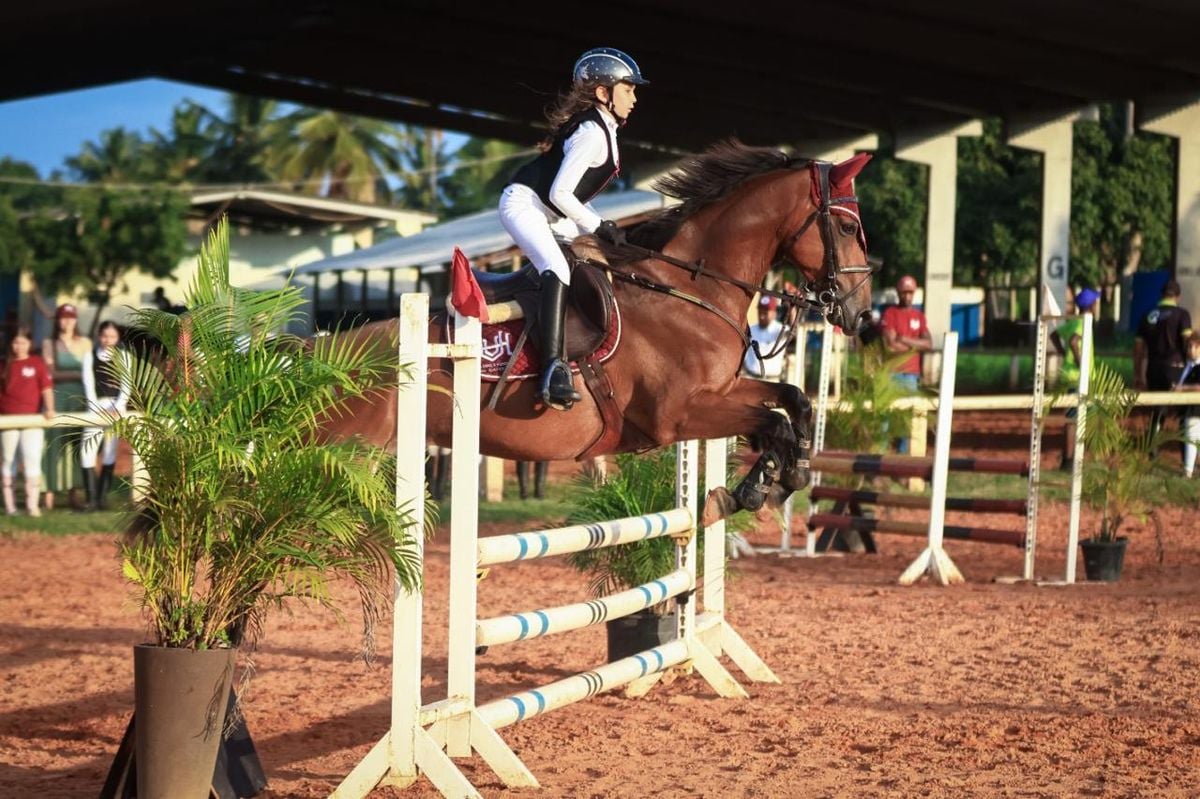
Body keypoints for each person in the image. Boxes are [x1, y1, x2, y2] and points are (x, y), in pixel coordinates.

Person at [500, 47, 649, 411]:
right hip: (525, 205)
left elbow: (571, 196)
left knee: (595, 265)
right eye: (628, 88)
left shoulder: (605, 128)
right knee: (558, 267)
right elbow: (559, 192)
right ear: (603, 93)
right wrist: (598, 226)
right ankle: (553, 369)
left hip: (549, 211)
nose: (634, 96)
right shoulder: (591, 132)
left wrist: (605, 229)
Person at [0, 327, 55, 516]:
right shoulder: (4, 365)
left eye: (23, 342)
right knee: (8, 460)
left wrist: (49, 408)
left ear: (30, 344)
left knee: (32, 459)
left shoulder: (37, 363)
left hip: (32, 419)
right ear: (11, 344)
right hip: (8, 420)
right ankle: (10, 506)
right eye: (16, 342)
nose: (19, 346)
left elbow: (46, 388)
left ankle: (33, 506)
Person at [42, 304, 91, 509]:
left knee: (77, 444)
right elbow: (50, 373)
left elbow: (92, 371)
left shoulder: (86, 342)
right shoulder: (49, 343)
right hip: (57, 396)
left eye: (71, 317)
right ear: (58, 320)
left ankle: (74, 493)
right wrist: (80, 374)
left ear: (76, 319)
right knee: (53, 442)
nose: (67, 321)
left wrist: (76, 376)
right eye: (63, 317)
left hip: (80, 397)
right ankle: (49, 494)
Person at [1134, 279, 1193, 442]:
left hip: (1153, 369)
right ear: (1178, 296)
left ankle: (1152, 448)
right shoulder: (1183, 315)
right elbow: (1188, 343)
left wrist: (1138, 374)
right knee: (1184, 411)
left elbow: (1138, 349)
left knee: (1157, 409)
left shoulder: (1147, 315)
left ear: (1162, 295)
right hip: (1176, 369)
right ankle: (1185, 453)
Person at [80, 321, 130, 510]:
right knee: (87, 451)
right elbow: (88, 383)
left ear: (117, 338)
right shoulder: (89, 356)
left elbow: (127, 384)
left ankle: (101, 499)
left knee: (109, 452)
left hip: (115, 408)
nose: (108, 340)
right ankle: (90, 499)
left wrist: (118, 407)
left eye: (112, 336)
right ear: (99, 336)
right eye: (104, 335)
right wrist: (94, 407)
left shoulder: (124, 357)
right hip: (95, 408)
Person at [880, 275, 932, 454]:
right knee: (885, 417)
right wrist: (915, 344)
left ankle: (902, 457)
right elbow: (890, 346)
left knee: (907, 417)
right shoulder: (890, 314)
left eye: (910, 292)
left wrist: (903, 339)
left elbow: (929, 344)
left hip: (911, 374)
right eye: (904, 292)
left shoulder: (919, 316)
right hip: (892, 372)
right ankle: (879, 455)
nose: (907, 296)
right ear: (898, 293)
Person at [1051, 287, 1100, 468]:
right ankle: (1071, 459)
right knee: (1078, 418)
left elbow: (1054, 335)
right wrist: (1082, 364)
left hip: (1070, 375)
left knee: (1073, 418)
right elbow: (1073, 341)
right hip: (1079, 376)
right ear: (1092, 305)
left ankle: (1069, 458)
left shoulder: (1074, 321)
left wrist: (1063, 353)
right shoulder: (1083, 322)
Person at [1174, 332, 1200, 478]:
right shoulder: (1189, 365)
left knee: (1191, 438)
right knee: (1191, 438)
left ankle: (1188, 471)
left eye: (1196, 347)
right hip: (1187, 409)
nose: (1191, 350)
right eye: (1189, 346)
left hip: (1196, 409)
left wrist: (1182, 388)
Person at [742, 296, 786, 380]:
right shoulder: (750, 329)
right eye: (760, 312)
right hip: (750, 378)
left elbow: (793, 333)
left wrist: (793, 309)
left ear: (774, 313)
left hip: (772, 381)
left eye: (765, 313)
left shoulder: (781, 329)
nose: (761, 316)